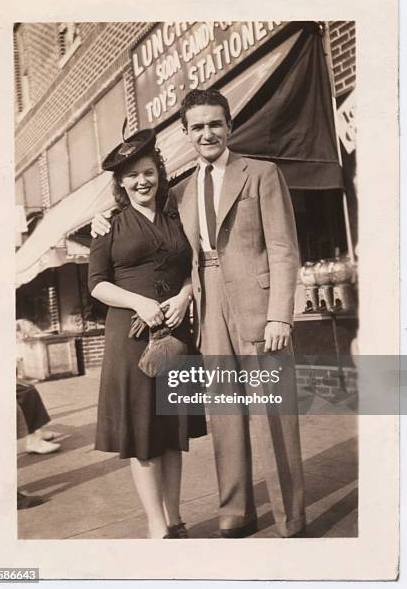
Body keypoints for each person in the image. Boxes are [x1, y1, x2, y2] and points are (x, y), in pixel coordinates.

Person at [92, 89, 305, 539]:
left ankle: (290, 517)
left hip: (256, 304)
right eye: (198, 127)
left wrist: (280, 316)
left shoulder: (261, 173)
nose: (207, 133)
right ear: (187, 135)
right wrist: (102, 220)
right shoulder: (181, 194)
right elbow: (159, 241)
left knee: (272, 411)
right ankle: (236, 511)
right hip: (207, 310)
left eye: (215, 124)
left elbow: (285, 249)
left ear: (228, 126)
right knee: (225, 413)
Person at [88, 128, 206, 539]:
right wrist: (137, 303)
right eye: (132, 175)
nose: (142, 181)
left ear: (159, 171)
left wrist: (186, 297)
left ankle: (174, 518)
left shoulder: (178, 217)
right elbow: (97, 284)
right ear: (120, 183)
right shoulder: (109, 228)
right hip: (131, 338)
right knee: (144, 437)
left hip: (175, 333)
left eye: (148, 171)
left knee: (173, 434)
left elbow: (192, 268)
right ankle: (157, 526)